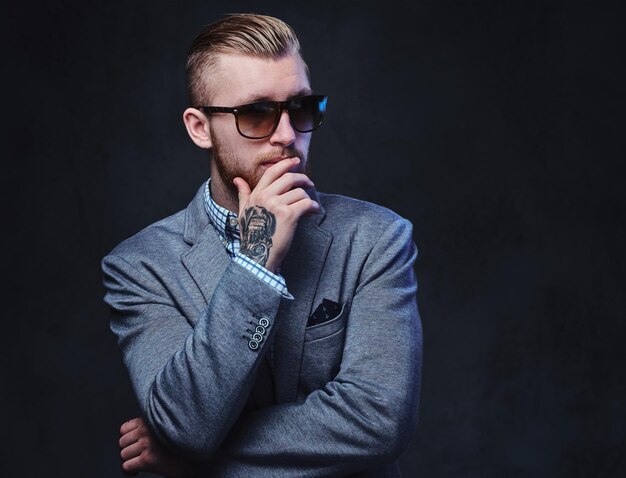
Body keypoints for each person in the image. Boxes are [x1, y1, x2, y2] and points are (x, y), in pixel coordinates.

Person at [102, 13, 422, 477]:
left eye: (301, 108)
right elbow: (187, 424)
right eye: (256, 113)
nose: (289, 135)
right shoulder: (139, 266)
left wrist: (194, 463)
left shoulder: (377, 238)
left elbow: (379, 421)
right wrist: (257, 260)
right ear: (200, 128)